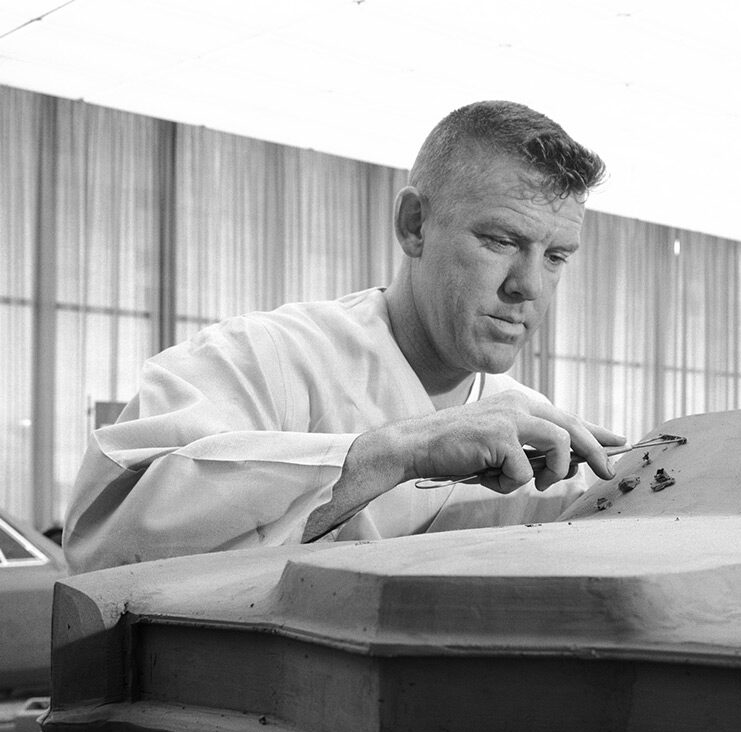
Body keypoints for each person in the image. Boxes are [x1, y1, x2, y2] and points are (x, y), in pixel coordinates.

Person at [62, 101, 624, 575]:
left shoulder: (540, 431)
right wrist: (395, 453)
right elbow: (105, 544)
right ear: (414, 225)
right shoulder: (262, 360)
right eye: (501, 240)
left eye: (554, 258)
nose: (527, 287)